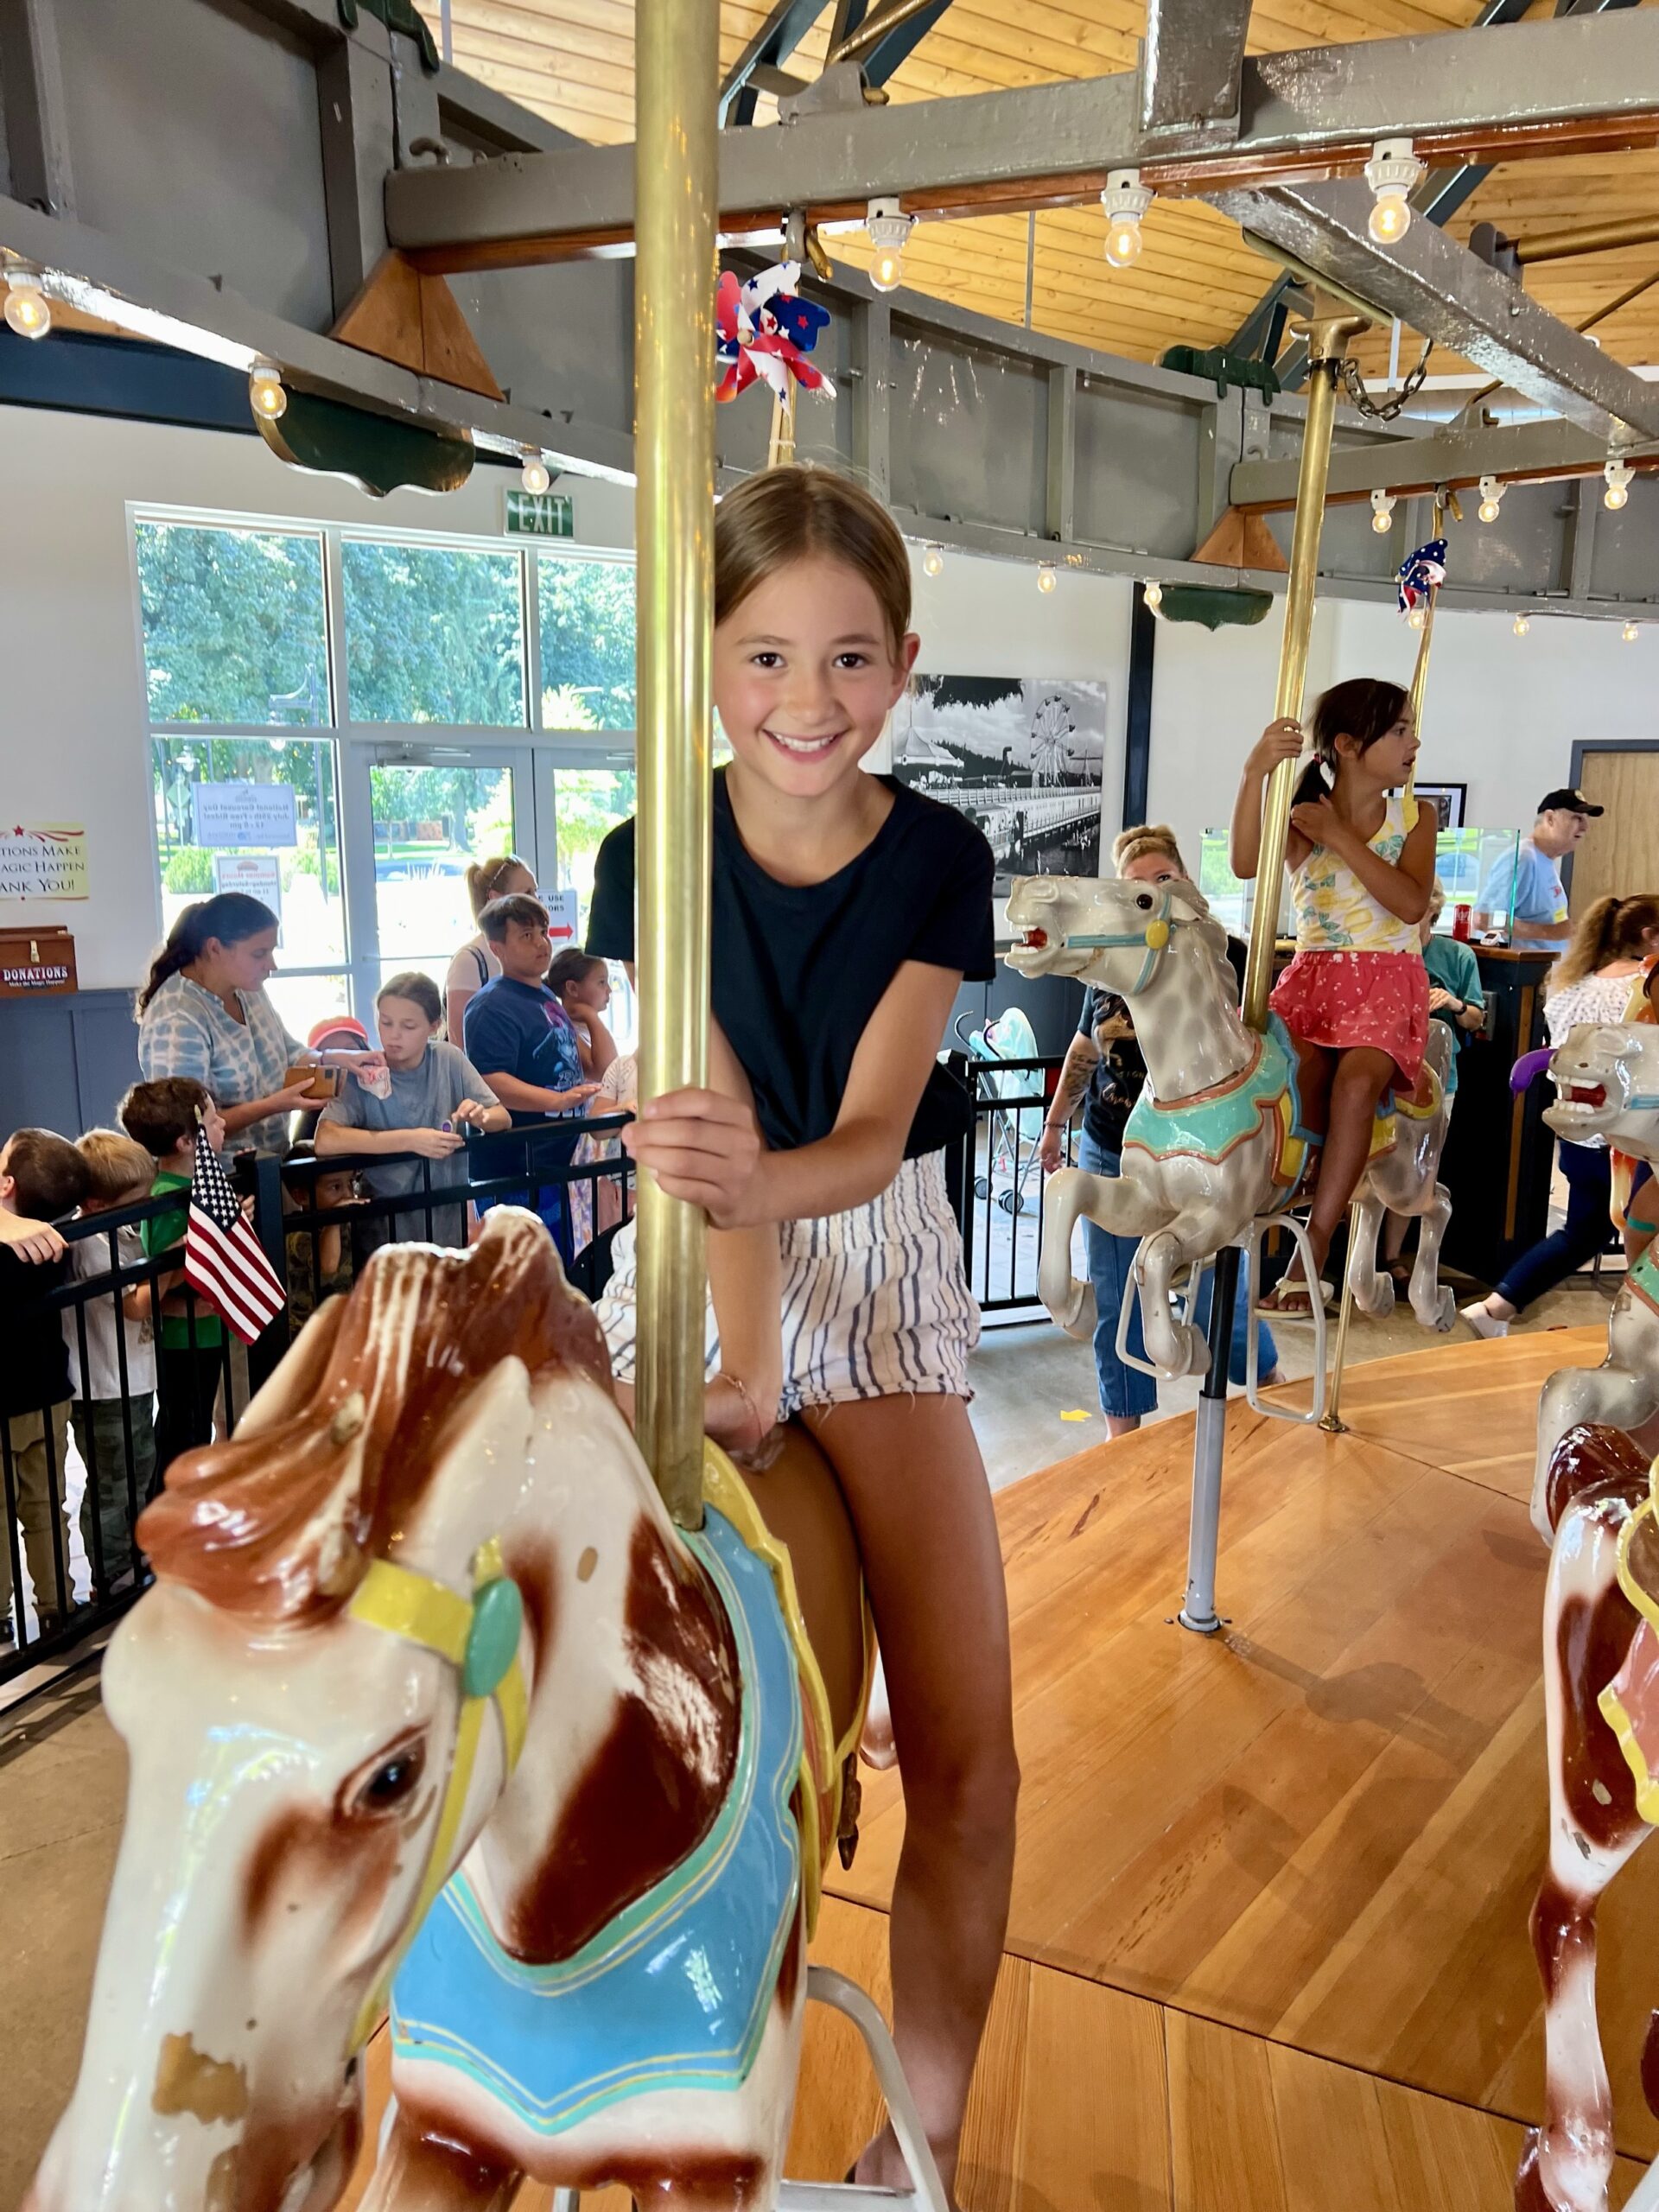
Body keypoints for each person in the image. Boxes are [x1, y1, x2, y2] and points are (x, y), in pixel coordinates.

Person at [587, 465, 1017, 2206]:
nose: (806, 702)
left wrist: (782, 1362)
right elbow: (709, 1120)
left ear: (901, 666)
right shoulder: (651, 852)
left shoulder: (938, 856)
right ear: (709, 665)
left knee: (977, 1756)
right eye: (765, 659)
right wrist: (735, 1360)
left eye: (847, 660)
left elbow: (860, 1124)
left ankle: (928, 2126)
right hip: (698, 1257)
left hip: (877, 1260)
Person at [1037, 823, 1281, 1435]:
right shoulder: (1108, 968)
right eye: (1135, 887)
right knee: (1117, 1292)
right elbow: (1084, 1049)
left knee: (1215, 1289)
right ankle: (1123, 1438)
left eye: (1162, 878)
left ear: (1186, 881)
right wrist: (1053, 1125)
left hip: (1209, 1148)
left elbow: (1259, 1041)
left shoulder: (1220, 952)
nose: (1150, 892)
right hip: (1118, 1137)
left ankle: (1267, 1382)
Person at [1230, 679, 1436, 1315]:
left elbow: (1407, 903)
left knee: (1355, 1082)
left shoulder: (1414, 817)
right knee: (1268, 1068)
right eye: (1399, 730)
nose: (1414, 742)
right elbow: (1245, 863)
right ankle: (1249, 1193)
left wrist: (1340, 836)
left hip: (1385, 983)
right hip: (1314, 977)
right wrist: (1255, 774)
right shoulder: (1302, 818)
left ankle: (1313, 1248)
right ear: (1348, 744)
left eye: (1409, 729)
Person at [1463, 893, 1659, 1338]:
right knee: (1639, 1235)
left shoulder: (1570, 984)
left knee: (1584, 1232)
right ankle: (1639, 1327)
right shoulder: (1641, 987)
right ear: (1650, 936)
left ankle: (1497, 1307)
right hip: (1633, 1140)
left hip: (1577, 1131)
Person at [135, 893, 383, 1159]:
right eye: (259, 954)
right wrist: (273, 1105)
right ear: (215, 948)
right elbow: (188, 1125)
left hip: (270, 1161)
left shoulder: (246, 988)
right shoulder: (176, 1017)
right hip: (218, 1179)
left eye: (272, 951)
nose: (271, 965)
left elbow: (289, 1053)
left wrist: (332, 1058)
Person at [315, 969, 508, 1249]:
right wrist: (411, 1139)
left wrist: (482, 1116)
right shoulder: (366, 1071)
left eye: (408, 1026)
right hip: (385, 1233)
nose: (393, 1036)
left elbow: (502, 1117)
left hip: (446, 1225)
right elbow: (325, 1140)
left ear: (434, 1026)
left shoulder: (448, 1059)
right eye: (385, 1022)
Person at [462, 896, 601, 1262]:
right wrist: (556, 1101)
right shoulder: (491, 1005)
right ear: (497, 948)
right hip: (516, 1165)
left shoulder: (546, 995)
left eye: (543, 932)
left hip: (558, 1160)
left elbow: (592, 1064)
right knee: (522, 1274)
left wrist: (589, 1015)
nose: (542, 942)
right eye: (526, 935)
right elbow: (491, 1080)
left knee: (559, 1269)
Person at [0, 1128, 92, 1643]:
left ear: (8, 1185)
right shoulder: (57, 1248)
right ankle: (58, 1606)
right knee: (47, 1505)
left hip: (3, 1403)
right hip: (48, 1393)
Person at [119, 1077, 229, 1477]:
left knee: (196, 1431)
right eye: (214, 1120)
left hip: (207, 1333)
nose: (223, 1125)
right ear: (186, 1142)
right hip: (187, 1340)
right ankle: (172, 1512)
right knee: (184, 1435)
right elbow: (163, 1280)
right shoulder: (169, 1199)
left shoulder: (200, 1184)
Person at [65, 1129, 158, 1593]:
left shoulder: (124, 1231)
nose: (146, 1207)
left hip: (137, 1379)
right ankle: (109, 1571)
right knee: (111, 1483)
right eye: (136, 1199)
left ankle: (133, 1554)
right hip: (102, 1386)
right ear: (99, 1204)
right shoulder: (91, 1243)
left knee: (140, 1470)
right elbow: (134, 1304)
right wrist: (176, 1265)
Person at [1380, 879, 1485, 1284]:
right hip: (1387, 1070)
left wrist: (1454, 1004)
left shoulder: (1458, 957)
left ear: (1432, 913)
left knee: (1417, 1168)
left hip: (1439, 1078)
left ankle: (1394, 1256)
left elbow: (1476, 1018)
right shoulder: (1387, 955)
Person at [1476, 787, 1602, 953]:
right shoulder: (1523, 859)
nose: (1585, 827)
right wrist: (1551, 932)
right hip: (1523, 974)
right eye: (1577, 818)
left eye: (1585, 820)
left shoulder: (1545, 860)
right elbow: (1484, 919)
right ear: (1550, 818)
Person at [446, 851, 537, 1042]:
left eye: (535, 892)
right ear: (496, 899)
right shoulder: (469, 961)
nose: (536, 901)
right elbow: (460, 1043)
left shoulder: (534, 953)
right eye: (527, 893)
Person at [279, 1143, 360, 1337]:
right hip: (310, 1332)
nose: (348, 1195)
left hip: (343, 1326)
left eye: (350, 1183)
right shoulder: (297, 1235)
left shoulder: (344, 1223)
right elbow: (328, 1265)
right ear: (302, 1196)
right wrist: (334, 1221)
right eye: (335, 1187)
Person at [547, 948, 620, 1084]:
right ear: (572, 988)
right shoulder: (563, 1030)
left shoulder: (589, 1027)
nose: (609, 990)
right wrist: (591, 1015)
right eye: (601, 982)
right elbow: (608, 1072)